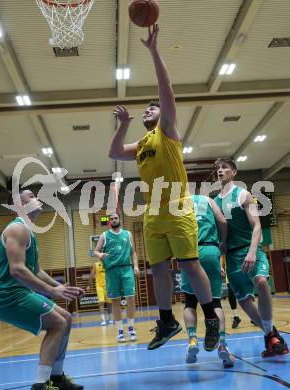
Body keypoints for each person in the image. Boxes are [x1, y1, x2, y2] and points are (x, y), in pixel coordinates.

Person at [108, 24, 220, 352]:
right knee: (157, 268)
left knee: (188, 264)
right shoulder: (141, 143)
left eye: (152, 108)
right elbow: (114, 152)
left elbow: (166, 87)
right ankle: (166, 320)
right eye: (146, 108)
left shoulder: (167, 130)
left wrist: (154, 52)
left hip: (178, 207)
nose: (148, 109)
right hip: (154, 213)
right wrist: (124, 125)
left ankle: (211, 314)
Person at [0, 189, 85, 390]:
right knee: (57, 323)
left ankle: (57, 378)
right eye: (30, 196)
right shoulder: (17, 229)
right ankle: (41, 384)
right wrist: (51, 290)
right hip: (5, 295)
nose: (37, 198)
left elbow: (35, 270)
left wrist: (60, 287)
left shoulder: (29, 231)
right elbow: (17, 270)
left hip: (19, 292)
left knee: (66, 318)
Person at [214, 158, 289, 357]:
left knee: (262, 282)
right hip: (231, 257)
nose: (220, 171)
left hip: (250, 249)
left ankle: (271, 335)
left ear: (234, 172)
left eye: (224, 168)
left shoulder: (243, 194)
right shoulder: (214, 202)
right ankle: (271, 335)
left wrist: (252, 252)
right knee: (245, 301)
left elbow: (256, 225)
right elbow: (219, 234)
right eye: (218, 168)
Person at [181, 195, 235, 368]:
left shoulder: (180, 203)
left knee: (190, 301)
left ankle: (192, 340)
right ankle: (222, 344)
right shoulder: (208, 200)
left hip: (189, 252)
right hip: (211, 250)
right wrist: (223, 242)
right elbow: (223, 222)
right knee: (215, 302)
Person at [94, 213, 140, 342]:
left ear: (119, 220)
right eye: (112, 219)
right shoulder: (104, 235)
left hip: (127, 269)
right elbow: (95, 251)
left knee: (131, 298)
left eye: (116, 218)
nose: (114, 220)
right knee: (115, 301)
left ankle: (131, 328)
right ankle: (120, 330)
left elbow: (133, 252)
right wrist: (100, 254)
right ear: (109, 222)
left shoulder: (128, 234)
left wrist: (135, 266)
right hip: (111, 271)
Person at [86, 261, 113, 326]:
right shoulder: (96, 264)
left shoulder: (109, 263)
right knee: (101, 302)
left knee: (109, 303)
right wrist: (89, 285)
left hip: (108, 286)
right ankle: (103, 320)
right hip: (99, 286)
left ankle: (110, 319)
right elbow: (92, 275)